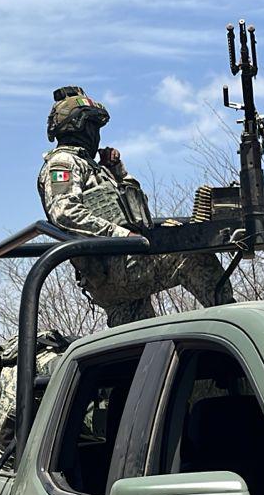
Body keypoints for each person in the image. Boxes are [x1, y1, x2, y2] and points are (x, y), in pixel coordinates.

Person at [37, 86, 235, 326]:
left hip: (120, 265)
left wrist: (118, 172)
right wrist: (122, 236)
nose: (97, 134)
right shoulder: (63, 162)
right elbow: (65, 213)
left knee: (139, 337)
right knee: (190, 254)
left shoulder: (93, 167)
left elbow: (138, 211)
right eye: (93, 127)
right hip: (113, 268)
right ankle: (234, 322)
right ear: (79, 126)